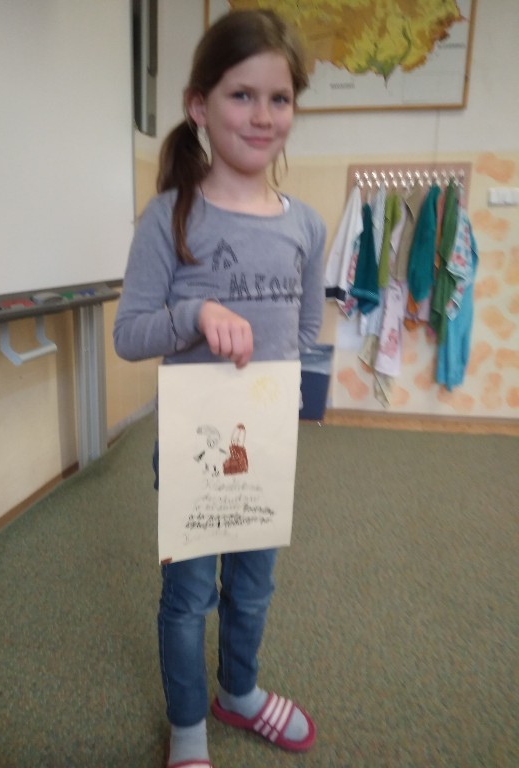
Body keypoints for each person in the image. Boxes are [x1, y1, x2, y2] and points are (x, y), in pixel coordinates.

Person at [114, 9, 326, 767]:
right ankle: (187, 729)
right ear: (198, 105)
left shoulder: (306, 225)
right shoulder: (170, 217)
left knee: (255, 588)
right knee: (188, 598)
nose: (263, 116)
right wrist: (196, 314)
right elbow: (129, 333)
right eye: (242, 95)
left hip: (264, 449)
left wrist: (278, 397)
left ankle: (238, 693)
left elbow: (305, 331)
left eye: (280, 98)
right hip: (194, 451)